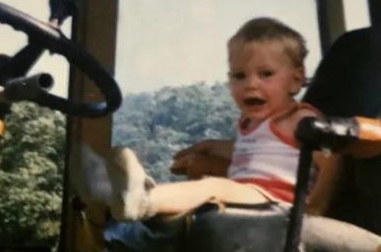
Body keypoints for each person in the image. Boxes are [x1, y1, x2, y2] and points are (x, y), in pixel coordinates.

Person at [77, 17, 340, 221]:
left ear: (295, 79)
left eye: (265, 74)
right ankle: (116, 193)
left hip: (280, 202)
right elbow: (257, 152)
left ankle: (143, 200)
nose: (250, 84)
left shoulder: (299, 118)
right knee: (204, 180)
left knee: (213, 188)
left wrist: (315, 206)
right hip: (253, 196)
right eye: (239, 76)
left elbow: (333, 159)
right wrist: (209, 147)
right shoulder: (250, 124)